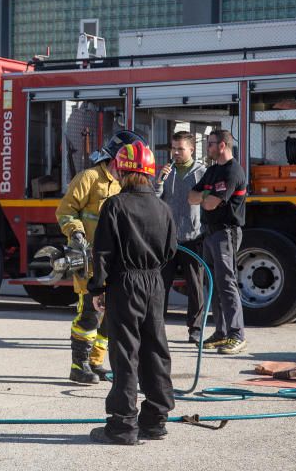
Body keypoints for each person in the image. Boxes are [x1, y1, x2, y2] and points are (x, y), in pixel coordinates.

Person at [88, 139, 177, 445]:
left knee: (126, 352)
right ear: (151, 173)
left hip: (124, 283)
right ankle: (155, 420)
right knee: (156, 348)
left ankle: (123, 425)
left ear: (123, 172)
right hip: (154, 283)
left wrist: (98, 287)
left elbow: (102, 251)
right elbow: (171, 250)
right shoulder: (163, 207)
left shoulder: (115, 205)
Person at [56, 129, 145, 385]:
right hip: (89, 261)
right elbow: (65, 211)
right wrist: (76, 234)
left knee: (110, 315)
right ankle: (78, 364)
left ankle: (95, 362)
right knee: (90, 314)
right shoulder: (89, 178)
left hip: (116, 262)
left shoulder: (126, 182)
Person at [189, 128, 248, 355]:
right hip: (210, 232)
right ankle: (221, 332)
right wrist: (206, 196)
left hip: (226, 233)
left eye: (211, 144)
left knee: (227, 283)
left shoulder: (232, 172)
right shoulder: (213, 171)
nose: (209, 148)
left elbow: (209, 204)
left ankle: (237, 335)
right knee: (212, 283)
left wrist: (205, 197)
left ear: (222, 145)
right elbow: (191, 197)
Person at [155, 131, 207, 344]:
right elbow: (154, 200)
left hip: (193, 238)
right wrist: (159, 181)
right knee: (159, 286)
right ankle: (156, 327)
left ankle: (195, 330)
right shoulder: (168, 173)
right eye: (173, 148)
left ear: (191, 150)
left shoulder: (202, 172)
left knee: (195, 287)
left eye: (180, 149)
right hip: (168, 239)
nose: (175, 153)